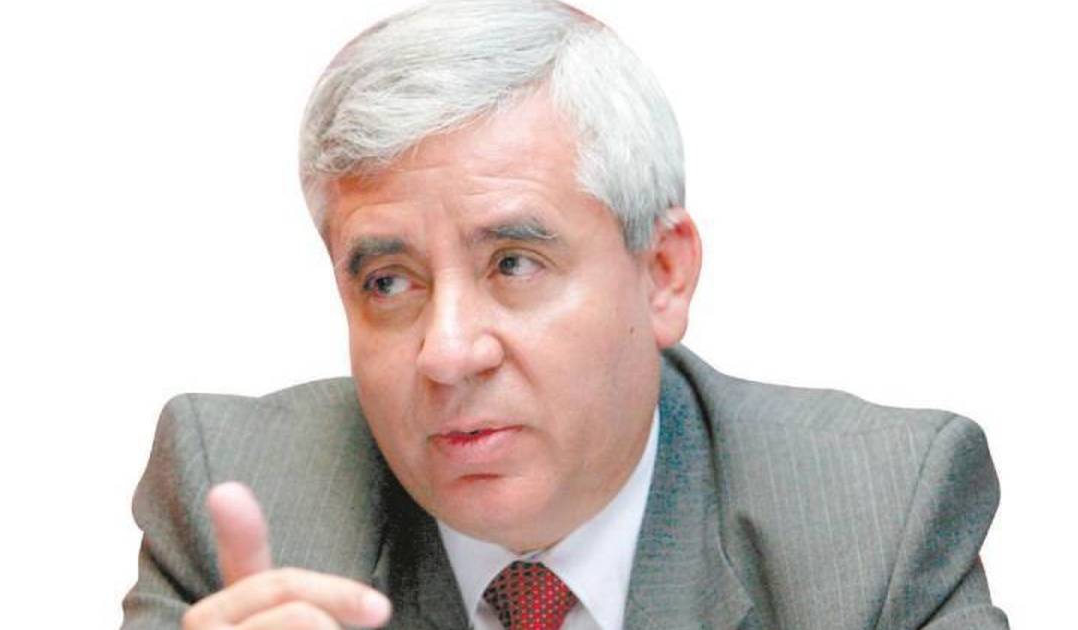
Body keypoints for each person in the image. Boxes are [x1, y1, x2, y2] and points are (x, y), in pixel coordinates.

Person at [121, 1, 1007, 628]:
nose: (448, 353)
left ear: (663, 275)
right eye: (389, 283)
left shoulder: (876, 520)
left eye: (514, 264)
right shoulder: (239, 501)